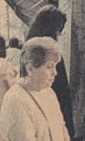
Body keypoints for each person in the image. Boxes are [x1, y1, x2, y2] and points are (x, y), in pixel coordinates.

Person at [0, 40, 68, 141]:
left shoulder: (49, 92)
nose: (55, 73)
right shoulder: (14, 100)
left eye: (55, 67)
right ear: (30, 69)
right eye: (49, 67)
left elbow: (62, 129)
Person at [25, 9, 73, 139]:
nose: (59, 35)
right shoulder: (50, 52)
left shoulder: (27, 49)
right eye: (58, 31)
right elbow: (62, 92)